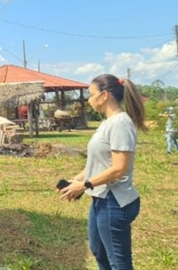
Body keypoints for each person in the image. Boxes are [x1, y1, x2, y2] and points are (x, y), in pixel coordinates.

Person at [59, 74, 146, 270]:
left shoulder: (120, 123)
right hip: (101, 199)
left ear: (104, 95)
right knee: (99, 251)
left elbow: (118, 168)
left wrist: (85, 184)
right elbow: (98, 163)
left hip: (115, 202)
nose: (88, 99)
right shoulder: (107, 122)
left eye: (91, 94)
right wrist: (76, 181)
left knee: (118, 262)